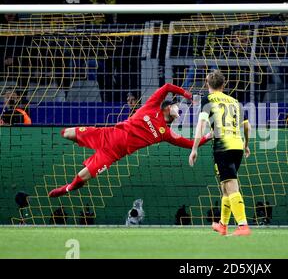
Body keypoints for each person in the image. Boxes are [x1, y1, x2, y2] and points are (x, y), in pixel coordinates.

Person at [48, 83, 211, 197]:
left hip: (111, 154)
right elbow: (168, 87)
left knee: (82, 177)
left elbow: (190, 144)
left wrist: (208, 136)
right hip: (105, 134)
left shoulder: (166, 134)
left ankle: (66, 189)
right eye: (177, 106)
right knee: (66, 133)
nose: (179, 110)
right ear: (168, 107)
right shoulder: (152, 106)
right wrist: (189, 96)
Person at [189, 69, 251, 236]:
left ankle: (243, 225)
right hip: (237, 146)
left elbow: (201, 125)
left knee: (231, 186)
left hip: (223, 148)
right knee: (225, 186)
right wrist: (246, 145)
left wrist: (194, 148)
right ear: (224, 85)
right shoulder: (235, 101)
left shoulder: (207, 99)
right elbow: (247, 126)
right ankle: (223, 225)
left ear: (207, 84)